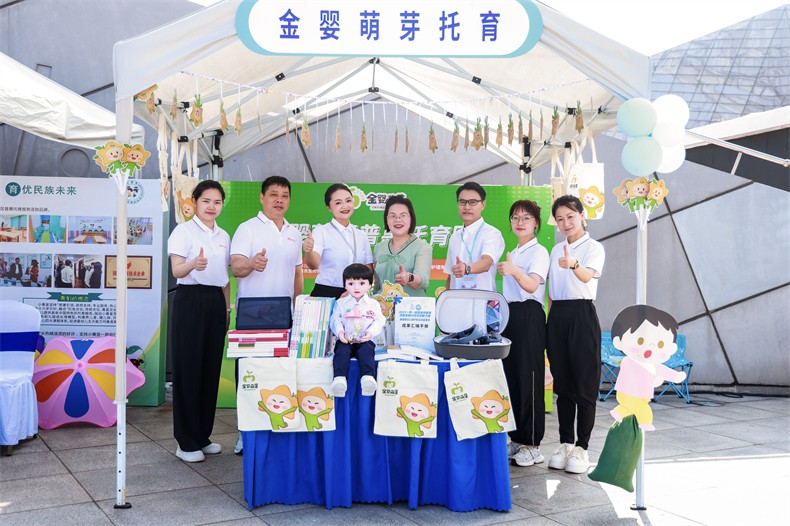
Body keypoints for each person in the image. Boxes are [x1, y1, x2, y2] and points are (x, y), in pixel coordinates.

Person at [230, 176, 303, 454]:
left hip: (284, 313)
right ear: (262, 198)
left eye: (285, 195)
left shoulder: (294, 233)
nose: (279, 200)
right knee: (249, 373)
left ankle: (276, 427)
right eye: (273, 194)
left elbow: (297, 273)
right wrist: (252, 263)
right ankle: (245, 433)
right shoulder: (247, 228)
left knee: (279, 373)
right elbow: (236, 267)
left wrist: (298, 307)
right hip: (252, 313)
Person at [167, 180, 231, 463]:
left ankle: (202, 436)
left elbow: (225, 278)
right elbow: (177, 270)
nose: (211, 207)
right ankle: (185, 441)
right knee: (189, 369)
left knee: (209, 369)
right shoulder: (183, 231)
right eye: (206, 201)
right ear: (194, 202)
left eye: (217, 202)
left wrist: (226, 309)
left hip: (216, 301)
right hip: (190, 299)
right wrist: (194, 264)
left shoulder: (224, 235)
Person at [545, 195, 605, 475]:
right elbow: (551, 293)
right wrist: (550, 322)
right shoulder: (555, 249)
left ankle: (583, 447)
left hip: (582, 315)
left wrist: (573, 264)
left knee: (584, 386)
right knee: (564, 387)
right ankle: (566, 443)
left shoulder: (594, 248)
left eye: (570, 216)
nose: (565, 223)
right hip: (558, 316)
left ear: (582, 215)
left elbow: (587, 276)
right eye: (560, 219)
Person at [497, 200, 549, 468]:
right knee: (512, 378)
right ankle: (517, 439)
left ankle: (533, 444)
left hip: (529, 314)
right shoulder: (514, 252)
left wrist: (515, 271)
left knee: (529, 378)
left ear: (536, 223)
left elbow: (531, 286)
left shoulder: (539, 252)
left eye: (526, 218)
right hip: (510, 315)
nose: (520, 222)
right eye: (515, 217)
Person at [303, 183, 373, 298]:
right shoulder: (321, 231)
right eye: (338, 203)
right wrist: (308, 251)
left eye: (348, 201)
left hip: (356, 294)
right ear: (329, 207)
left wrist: (360, 290)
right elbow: (313, 265)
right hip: (327, 293)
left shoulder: (361, 235)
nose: (345, 206)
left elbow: (368, 269)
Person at [329, 264, 385, 397]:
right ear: (344, 285)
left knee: (366, 351)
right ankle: (339, 379)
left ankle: (367, 379)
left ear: (369, 284)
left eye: (361, 283)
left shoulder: (373, 304)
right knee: (341, 351)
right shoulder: (340, 303)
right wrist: (340, 332)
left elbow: (379, 320)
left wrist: (370, 333)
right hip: (346, 340)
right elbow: (334, 319)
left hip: (364, 340)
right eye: (351, 283)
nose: (356, 287)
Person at [444, 182, 504, 291]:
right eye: (462, 202)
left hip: (482, 299)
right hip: (456, 299)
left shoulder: (492, 234)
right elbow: (450, 276)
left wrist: (466, 268)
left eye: (472, 202)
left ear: (483, 204)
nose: (467, 207)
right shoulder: (455, 237)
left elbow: (486, 263)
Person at [372, 195, 431, 296]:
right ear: (387, 219)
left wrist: (409, 278)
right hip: (382, 304)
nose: (398, 220)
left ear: (411, 218)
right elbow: (376, 285)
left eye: (403, 215)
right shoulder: (379, 248)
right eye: (393, 216)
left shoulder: (422, 247)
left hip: (411, 305)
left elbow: (423, 280)